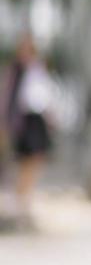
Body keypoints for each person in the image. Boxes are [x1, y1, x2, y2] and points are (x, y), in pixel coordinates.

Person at [3, 33, 57, 229]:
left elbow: (45, 95)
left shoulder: (37, 69)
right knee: (26, 160)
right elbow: (8, 99)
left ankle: (25, 197)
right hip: (24, 121)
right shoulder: (16, 72)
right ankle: (21, 199)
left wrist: (51, 118)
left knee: (36, 159)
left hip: (37, 119)